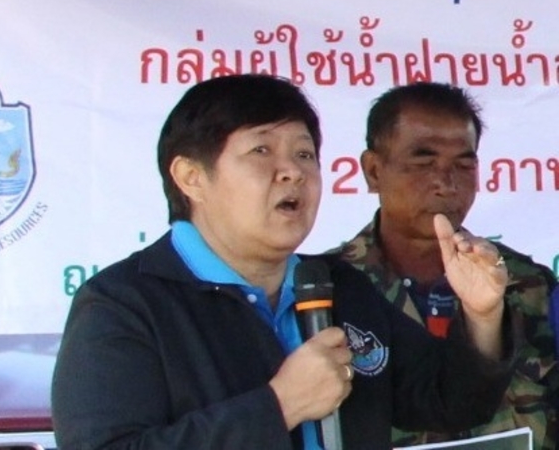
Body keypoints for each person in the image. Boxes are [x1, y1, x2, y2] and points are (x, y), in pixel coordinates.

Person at [51, 74, 514, 450]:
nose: (293, 171)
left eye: (304, 154)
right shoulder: (123, 304)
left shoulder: (337, 286)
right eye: (261, 150)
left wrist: (481, 315)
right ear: (191, 177)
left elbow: (450, 401)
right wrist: (280, 406)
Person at [326, 81, 559, 449]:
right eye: (423, 162)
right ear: (373, 170)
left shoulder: (531, 287)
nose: (446, 184)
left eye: (464, 165)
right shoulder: (327, 291)